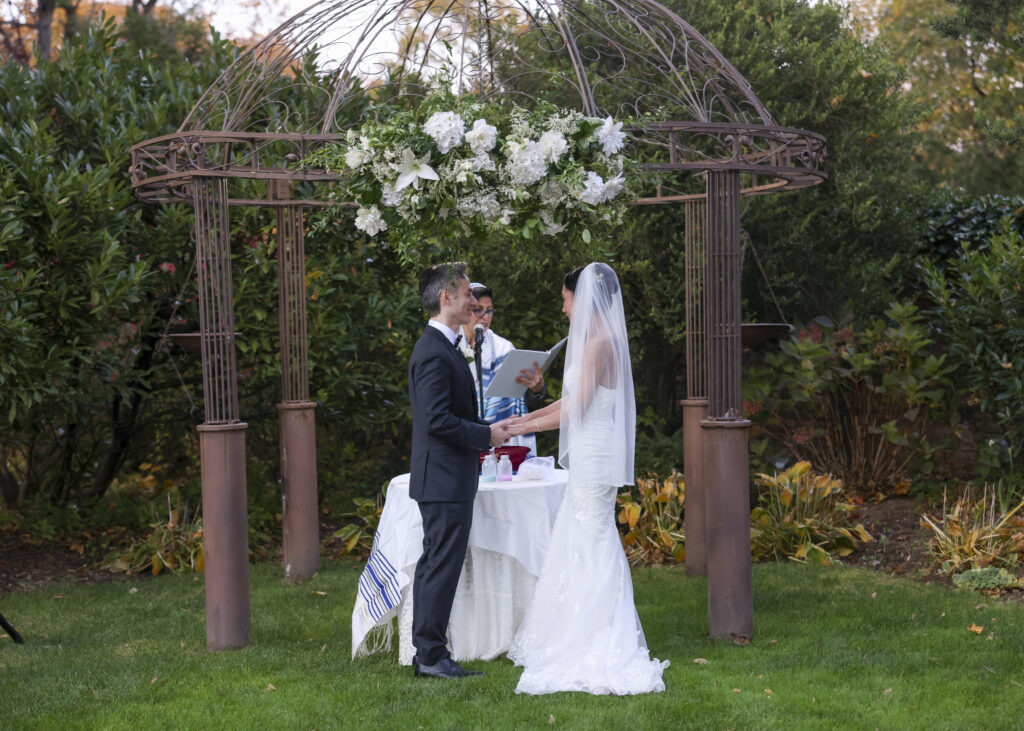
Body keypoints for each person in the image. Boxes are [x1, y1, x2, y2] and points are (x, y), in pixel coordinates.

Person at [501, 263, 669, 695]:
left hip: (594, 455)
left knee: (592, 535)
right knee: (582, 534)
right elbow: (570, 399)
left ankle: (596, 632)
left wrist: (526, 429)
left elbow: (577, 410)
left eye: (565, 299)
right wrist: (530, 416)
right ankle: (577, 622)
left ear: (583, 298)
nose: (563, 308)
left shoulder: (599, 344)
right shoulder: (595, 342)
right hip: (591, 451)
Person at [407, 262, 512, 680]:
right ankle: (431, 656)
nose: (474, 302)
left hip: (448, 477)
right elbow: (436, 421)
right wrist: (486, 434)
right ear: (445, 298)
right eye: (468, 294)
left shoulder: (446, 346)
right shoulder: (434, 351)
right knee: (440, 566)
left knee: (438, 564)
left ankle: (429, 653)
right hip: (444, 479)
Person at [457, 283, 547, 455]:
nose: (484, 316)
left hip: (502, 441)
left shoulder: (504, 348)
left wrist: (537, 389)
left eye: (489, 310)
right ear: (466, 309)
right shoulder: (452, 345)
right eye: (478, 310)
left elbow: (518, 400)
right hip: (464, 436)